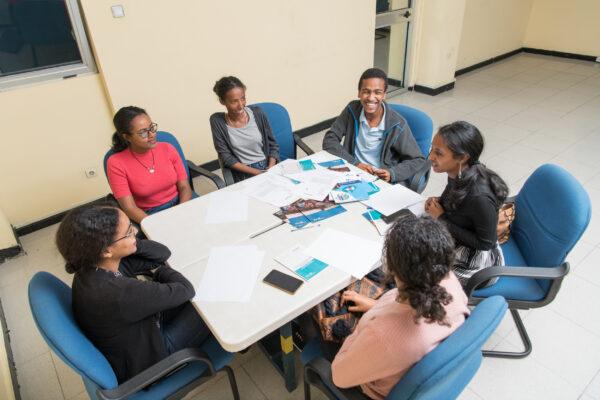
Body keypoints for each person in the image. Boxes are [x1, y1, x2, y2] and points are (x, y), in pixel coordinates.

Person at [55, 204, 210, 383]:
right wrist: (160, 273)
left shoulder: (92, 265)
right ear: (106, 250)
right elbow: (185, 289)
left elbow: (162, 254)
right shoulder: (117, 292)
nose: (135, 231)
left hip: (141, 330)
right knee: (206, 299)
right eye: (129, 231)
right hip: (154, 359)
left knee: (187, 288)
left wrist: (131, 242)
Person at [331, 215, 469, 400]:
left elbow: (339, 376)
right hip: (415, 367)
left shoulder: (384, 336)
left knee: (320, 318)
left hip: (377, 386)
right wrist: (375, 306)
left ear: (392, 267)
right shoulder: (450, 280)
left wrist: (363, 326)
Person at [425, 121, 509, 286]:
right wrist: (441, 202)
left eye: (439, 153)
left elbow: (486, 243)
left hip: (475, 262)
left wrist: (441, 217)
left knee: (415, 275)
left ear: (463, 157)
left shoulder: (480, 198)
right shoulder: (459, 172)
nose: (430, 157)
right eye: (432, 149)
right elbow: (458, 201)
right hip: (455, 240)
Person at [322, 68, 425, 185]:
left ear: (385, 94)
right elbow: (330, 140)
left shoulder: (397, 124)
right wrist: (355, 164)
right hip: (352, 171)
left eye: (377, 92)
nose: (371, 98)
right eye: (366, 91)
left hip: (380, 179)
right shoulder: (351, 110)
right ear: (359, 93)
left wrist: (392, 173)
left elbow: (417, 159)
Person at [107, 106, 193, 223]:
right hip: (149, 214)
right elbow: (129, 208)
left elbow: (184, 187)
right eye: (143, 133)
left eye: (152, 128)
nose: (151, 135)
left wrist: (181, 210)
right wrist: (153, 225)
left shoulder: (167, 148)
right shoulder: (116, 163)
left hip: (180, 202)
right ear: (127, 137)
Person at [210, 76, 280, 182]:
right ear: (222, 101)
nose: (241, 105)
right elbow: (226, 158)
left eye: (243, 98)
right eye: (234, 101)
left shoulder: (258, 113)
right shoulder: (217, 121)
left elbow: (273, 145)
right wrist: (258, 173)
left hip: (267, 166)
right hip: (244, 173)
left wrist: (270, 168)